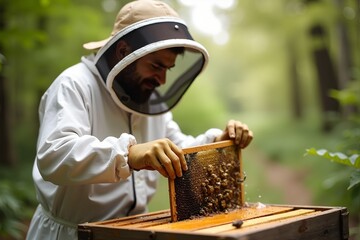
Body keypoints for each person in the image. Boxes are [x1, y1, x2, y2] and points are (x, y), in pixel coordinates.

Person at [26, 0, 253, 239]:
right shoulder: (74, 85)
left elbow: (177, 148)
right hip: (70, 233)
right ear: (124, 51)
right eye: (156, 65)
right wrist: (129, 154)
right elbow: (54, 156)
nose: (162, 80)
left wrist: (218, 142)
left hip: (132, 232)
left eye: (168, 68)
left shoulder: (146, 96)